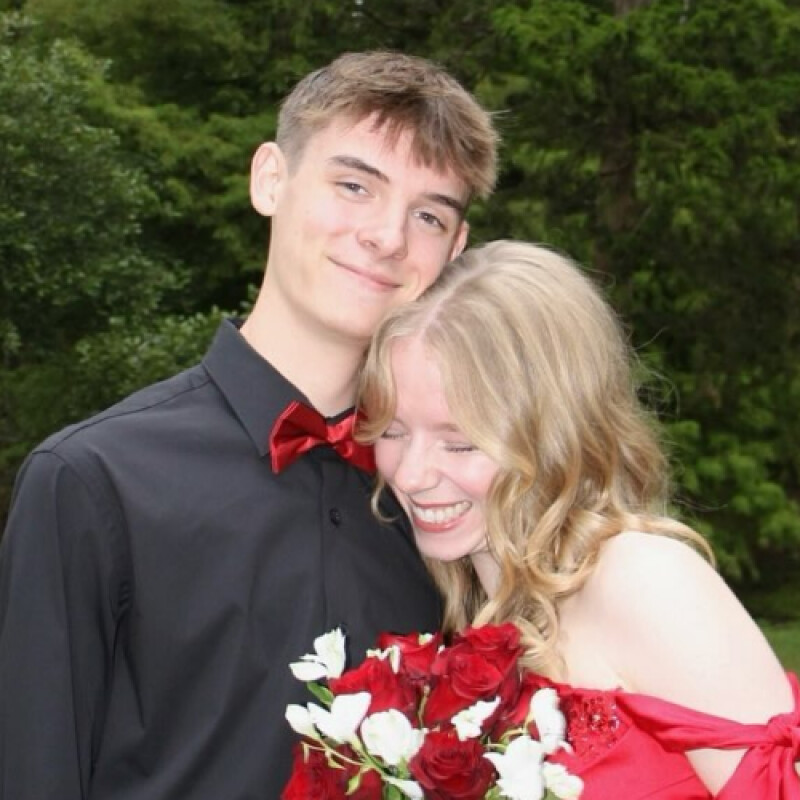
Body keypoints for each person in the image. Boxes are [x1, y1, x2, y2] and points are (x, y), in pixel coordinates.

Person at [0, 52, 499, 799]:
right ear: (270, 179)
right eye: (355, 185)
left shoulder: (460, 498)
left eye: (429, 215)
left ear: (454, 251)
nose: (388, 236)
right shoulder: (91, 482)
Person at [357, 240, 800, 798]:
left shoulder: (643, 579)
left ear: (554, 436)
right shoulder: (462, 605)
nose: (411, 473)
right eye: (393, 431)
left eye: (460, 443)